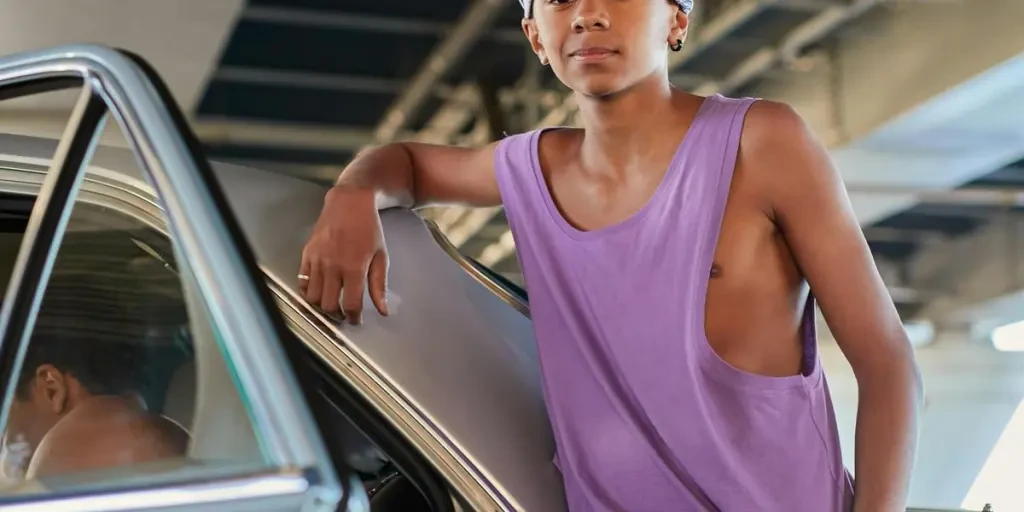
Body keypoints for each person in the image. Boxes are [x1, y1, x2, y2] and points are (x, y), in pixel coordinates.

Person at [299, 0, 923, 510]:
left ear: (677, 19)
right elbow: (407, 163)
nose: (587, 15)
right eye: (560, 0)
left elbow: (886, 358)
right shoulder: (529, 169)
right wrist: (352, 194)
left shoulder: (762, 142)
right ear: (535, 36)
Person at [1, 283, 189, 481]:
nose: (5, 436)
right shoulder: (182, 443)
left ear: (51, 388)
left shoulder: (64, 459)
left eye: (6, 409)